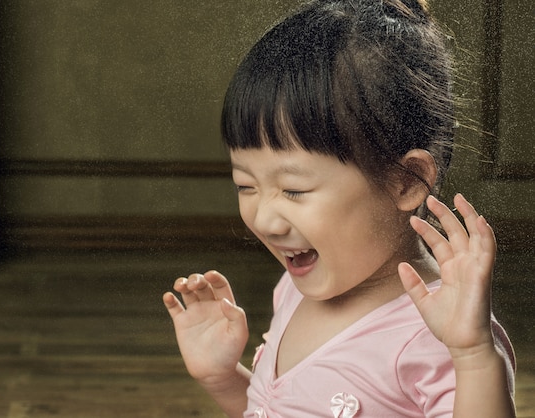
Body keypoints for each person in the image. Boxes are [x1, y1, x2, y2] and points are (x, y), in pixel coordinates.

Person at [162, 0, 516, 416]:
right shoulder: (294, 289)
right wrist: (222, 378)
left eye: (294, 190)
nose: (264, 219)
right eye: (246, 185)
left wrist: (473, 355)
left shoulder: (437, 334)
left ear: (405, 180)